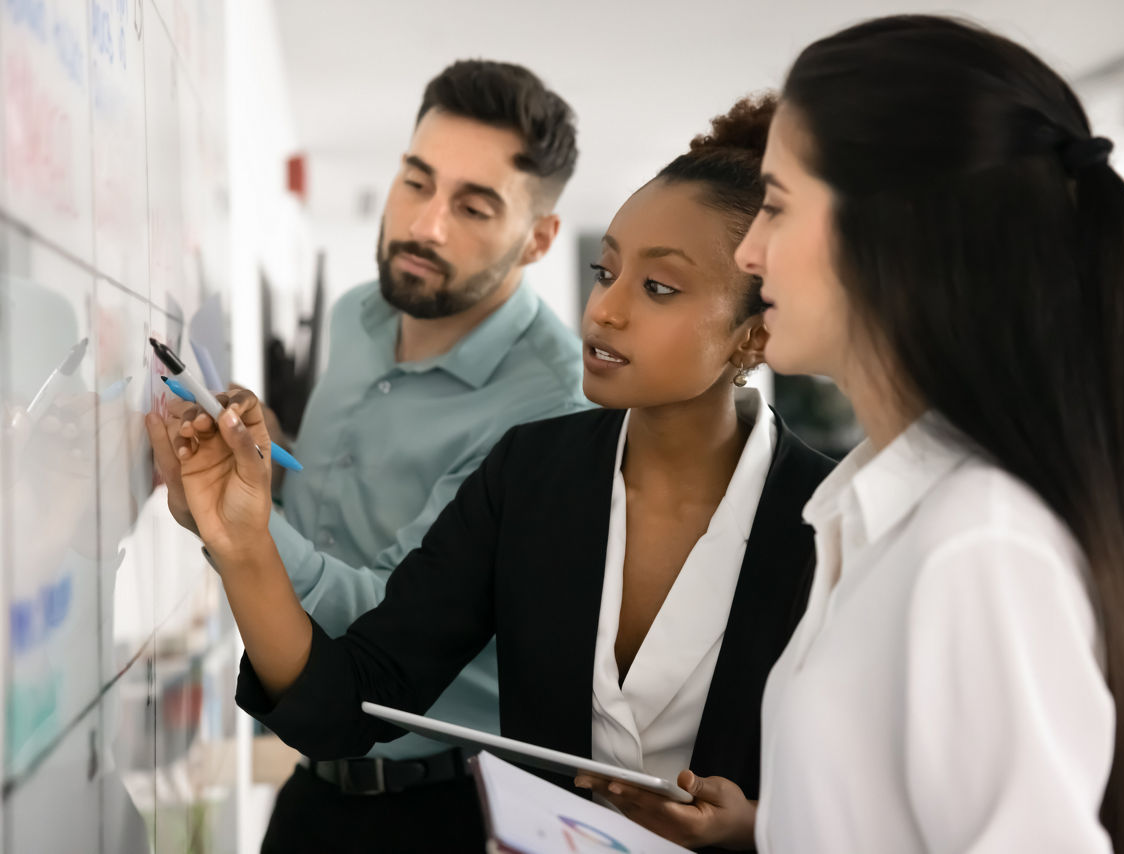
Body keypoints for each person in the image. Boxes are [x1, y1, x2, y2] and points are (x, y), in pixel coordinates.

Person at [156, 94, 833, 854]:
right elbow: (355, 698)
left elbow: (895, 803)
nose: (604, 310)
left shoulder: (833, 522)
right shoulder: (533, 474)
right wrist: (244, 542)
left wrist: (760, 830)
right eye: (604, 271)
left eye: (659, 288)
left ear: (755, 331)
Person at [730, 15, 1124, 853]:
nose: (748, 251)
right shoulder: (877, 517)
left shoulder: (977, 543)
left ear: (893, 228)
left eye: (775, 205)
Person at [146, 60, 590, 853]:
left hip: (443, 814)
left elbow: (383, 631)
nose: (425, 224)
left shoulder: (550, 408)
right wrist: (263, 453)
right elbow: (321, 517)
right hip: (312, 787)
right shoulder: (360, 312)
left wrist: (236, 522)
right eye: (416, 181)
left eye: (473, 205)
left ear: (540, 239)